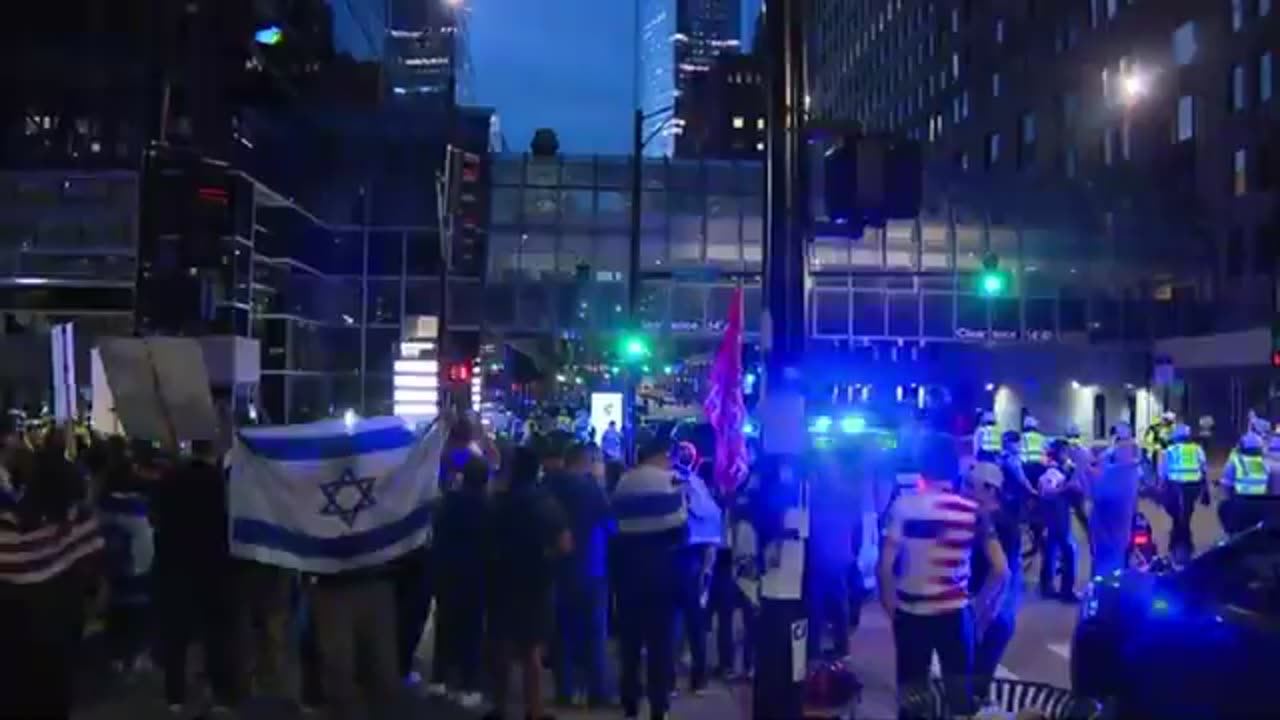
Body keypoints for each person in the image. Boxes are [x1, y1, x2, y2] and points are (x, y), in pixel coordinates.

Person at [877, 433, 1007, 719]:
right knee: (960, 700)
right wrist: (977, 607)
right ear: (955, 469)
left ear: (923, 468)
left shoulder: (904, 506)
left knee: (912, 697)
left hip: (912, 614)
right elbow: (1001, 569)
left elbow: (885, 565)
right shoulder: (973, 512)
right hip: (955, 615)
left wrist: (891, 606)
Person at [150, 440, 241, 713]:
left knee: (176, 633)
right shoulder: (220, 481)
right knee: (217, 632)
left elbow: (155, 518)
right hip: (212, 565)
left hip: (175, 565)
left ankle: (174, 694)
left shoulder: (170, 479)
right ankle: (220, 691)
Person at [486, 445, 570, 720]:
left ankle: (499, 708)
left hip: (501, 579)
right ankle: (533, 710)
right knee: (532, 649)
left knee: (501, 646)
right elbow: (564, 543)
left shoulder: (498, 502)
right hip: (536, 581)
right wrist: (546, 557)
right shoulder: (544, 502)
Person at [611, 432, 687, 720]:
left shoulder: (624, 482)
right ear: (659, 455)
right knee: (660, 644)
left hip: (629, 572)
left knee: (630, 642)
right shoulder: (669, 482)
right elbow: (680, 526)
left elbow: (615, 524)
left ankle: (629, 701)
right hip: (660, 571)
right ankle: (658, 706)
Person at [547, 443, 614, 707]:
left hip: (558, 570)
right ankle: (596, 693)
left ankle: (565, 691)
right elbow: (611, 525)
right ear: (588, 461)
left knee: (561, 634)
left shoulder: (550, 487)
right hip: (591, 568)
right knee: (595, 633)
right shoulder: (592, 489)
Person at [431, 455, 491, 710]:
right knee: (472, 630)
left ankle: (439, 680)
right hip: (476, 575)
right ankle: (469, 684)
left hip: (447, 572)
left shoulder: (447, 504)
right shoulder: (489, 507)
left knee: (445, 625)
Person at [672, 441, 719, 694]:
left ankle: (676, 677)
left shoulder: (679, 481)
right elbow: (712, 516)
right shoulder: (695, 481)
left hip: (685, 552)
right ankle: (695, 677)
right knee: (693, 620)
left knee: (678, 619)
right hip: (698, 553)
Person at [967, 462, 1020, 683]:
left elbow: (1000, 573)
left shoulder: (997, 524)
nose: (966, 491)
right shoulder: (985, 519)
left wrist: (979, 615)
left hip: (991, 611)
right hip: (991, 609)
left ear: (991, 490)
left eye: (972, 486)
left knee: (975, 681)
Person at [806, 449, 858, 661]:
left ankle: (814, 652)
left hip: (820, 557)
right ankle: (842, 649)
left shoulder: (815, 496)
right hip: (840, 557)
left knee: (815, 607)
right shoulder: (847, 495)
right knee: (839, 605)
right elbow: (856, 527)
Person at [1158, 423, 1206, 564]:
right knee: (1187, 513)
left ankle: (1177, 541)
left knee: (1176, 514)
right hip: (1193, 486)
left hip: (1175, 486)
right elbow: (1203, 467)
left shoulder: (1170, 450)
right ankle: (1185, 542)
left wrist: (1160, 486)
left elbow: (1163, 471)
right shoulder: (1197, 449)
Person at [1036, 442, 1078, 601]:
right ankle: (1066, 591)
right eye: (1065, 452)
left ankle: (1047, 587)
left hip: (1055, 521)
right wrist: (1066, 487)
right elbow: (1048, 492)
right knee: (1069, 553)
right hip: (1058, 521)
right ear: (1059, 454)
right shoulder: (1052, 472)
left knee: (1051, 552)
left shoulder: (1054, 471)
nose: (1067, 456)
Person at [1218, 431, 1271, 534]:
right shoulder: (1265, 462)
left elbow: (1226, 485)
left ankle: (1231, 536)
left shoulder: (1235, 461)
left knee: (1223, 508)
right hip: (1261, 503)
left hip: (1241, 501)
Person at [1020, 416, 1048, 486]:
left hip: (1027, 467)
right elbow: (1044, 452)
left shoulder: (1023, 437)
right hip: (1040, 467)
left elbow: (1021, 452)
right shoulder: (1041, 437)